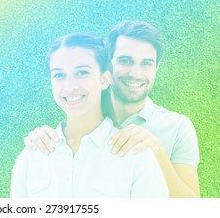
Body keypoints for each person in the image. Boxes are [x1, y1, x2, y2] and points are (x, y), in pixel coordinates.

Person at [24, 20, 200, 197]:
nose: (135, 74)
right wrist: (43, 138)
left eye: (146, 63)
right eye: (125, 60)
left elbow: (193, 209)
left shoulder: (177, 127)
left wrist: (157, 152)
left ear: (156, 68)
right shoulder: (86, 112)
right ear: (108, 65)